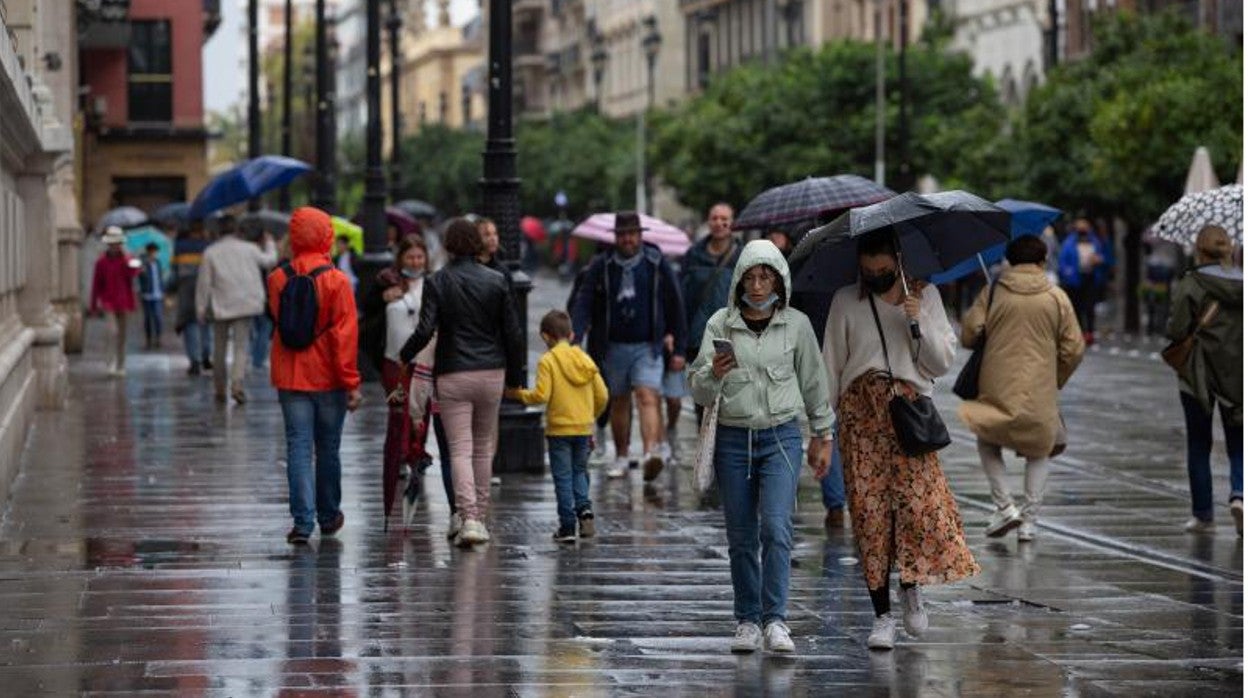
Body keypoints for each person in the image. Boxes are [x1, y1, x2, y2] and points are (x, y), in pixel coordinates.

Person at [822, 229, 979, 651]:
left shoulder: (924, 297)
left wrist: (917, 320)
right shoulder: (844, 302)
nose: (875, 276)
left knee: (916, 508)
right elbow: (831, 367)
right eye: (868, 270)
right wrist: (820, 430)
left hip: (908, 415)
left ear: (897, 261)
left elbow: (939, 364)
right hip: (860, 418)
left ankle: (911, 587)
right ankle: (881, 615)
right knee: (870, 517)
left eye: (883, 270)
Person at [689, 240, 833, 654]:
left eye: (765, 276)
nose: (756, 285)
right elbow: (697, 389)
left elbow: (813, 384)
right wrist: (713, 374)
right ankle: (747, 620)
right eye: (750, 277)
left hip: (780, 439)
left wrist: (823, 435)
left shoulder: (797, 325)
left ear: (779, 280)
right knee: (740, 535)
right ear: (739, 281)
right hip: (732, 440)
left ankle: (776, 619)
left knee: (776, 527)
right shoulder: (721, 324)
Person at [400, 218, 525, 548]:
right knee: (483, 447)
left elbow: (426, 329)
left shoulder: (437, 281)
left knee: (459, 449)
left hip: (453, 372)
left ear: (447, 246)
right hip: (491, 373)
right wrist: (517, 376)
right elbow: (513, 332)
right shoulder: (497, 280)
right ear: (477, 244)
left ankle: (466, 515)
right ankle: (478, 518)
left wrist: (405, 354)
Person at [957, 236, 1086, 543]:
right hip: (1040, 385)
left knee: (987, 440)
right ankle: (1029, 520)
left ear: (1010, 262)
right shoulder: (1056, 296)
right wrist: (1056, 377)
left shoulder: (993, 292)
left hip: (995, 382)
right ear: (1042, 262)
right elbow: (1074, 347)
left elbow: (969, 334)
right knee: (1040, 449)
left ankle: (1004, 506)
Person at [267, 206, 363, 545]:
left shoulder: (277, 279)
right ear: (326, 236)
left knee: (297, 447)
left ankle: (302, 521)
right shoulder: (337, 281)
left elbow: (281, 322)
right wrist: (351, 383)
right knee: (328, 448)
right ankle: (328, 514)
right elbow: (344, 337)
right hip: (328, 378)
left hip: (291, 376)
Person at [571, 211, 687, 481]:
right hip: (613, 345)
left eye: (632, 234)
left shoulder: (656, 262)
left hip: (648, 345)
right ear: (615, 237)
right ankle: (622, 456)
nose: (627, 239)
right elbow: (584, 300)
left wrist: (679, 347)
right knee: (619, 401)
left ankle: (649, 455)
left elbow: (675, 303)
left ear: (640, 235)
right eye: (622, 234)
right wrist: (576, 333)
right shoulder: (602, 265)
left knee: (648, 396)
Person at [361, 235, 453, 519]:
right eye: (410, 257)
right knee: (398, 407)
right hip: (393, 361)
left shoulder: (435, 283)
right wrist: (382, 298)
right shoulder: (386, 281)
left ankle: (417, 453)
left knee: (421, 410)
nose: (415, 261)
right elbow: (366, 310)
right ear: (400, 258)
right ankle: (400, 454)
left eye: (419, 257)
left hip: (425, 361)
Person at [506, 310, 609, 542]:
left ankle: (567, 526)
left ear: (545, 336)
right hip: (583, 428)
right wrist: (589, 415)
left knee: (562, 477)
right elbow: (602, 395)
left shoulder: (548, 361)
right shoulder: (585, 360)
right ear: (571, 334)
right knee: (580, 471)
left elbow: (542, 395)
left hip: (559, 431)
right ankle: (585, 510)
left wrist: (517, 394)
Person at [1166, 225, 1243, 536]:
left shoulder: (1191, 283)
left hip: (1196, 372)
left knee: (1199, 443)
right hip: (1238, 370)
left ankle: (1203, 515)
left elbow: (1176, 329)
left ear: (1199, 249)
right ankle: (1240, 494)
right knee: (1240, 440)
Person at [678, 203, 741, 454]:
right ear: (708, 221)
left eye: (725, 218)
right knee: (702, 396)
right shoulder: (693, 255)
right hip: (698, 338)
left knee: (732, 395)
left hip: (733, 336)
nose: (720, 223)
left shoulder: (742, 255)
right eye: (715, 218)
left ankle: (727, 451)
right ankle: (707, 452)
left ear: (732, 222)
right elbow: (682, 298)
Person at [196, 214, 278, 404]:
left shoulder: (211, 252)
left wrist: (200, 307)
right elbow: (270, 261)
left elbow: (204, 283)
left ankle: (219, 388)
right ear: (237, 231)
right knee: (242, 346)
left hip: (221, 304)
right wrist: (270, 243)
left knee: (219, 348)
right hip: (246, 303)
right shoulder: (250, 249)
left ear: (218, 231)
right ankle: (237, 384)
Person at [89, 226, 140, 376]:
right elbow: (96, 284)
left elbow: (134, 273)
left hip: (124, 301)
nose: (115, 246)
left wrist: (127, 259)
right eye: (112, 243)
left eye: (117, 243)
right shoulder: (101, 262)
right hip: (108, 301)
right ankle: (110, 362)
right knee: (112, 332)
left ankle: (121, 364)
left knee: (122, 335)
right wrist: (93, 305)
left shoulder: (128, 259)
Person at [171, 224, 214, 375]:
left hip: (186, 289)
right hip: (206, 289)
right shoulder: (208, 245)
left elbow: (174, 271)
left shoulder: (179, 246)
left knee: (190, 325)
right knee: (205, 323)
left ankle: (194, 360)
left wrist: (169, 289)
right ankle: (206, 354)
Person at [1058, 218, 1108, 345]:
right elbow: (1063, 262)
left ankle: (1089, 332)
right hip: (1075, 280)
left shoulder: (1095, 242)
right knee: (1077, 307)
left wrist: (1099, 260)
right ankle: (1079, 332)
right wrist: (1068, 273)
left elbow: (1102, 257)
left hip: (1090, 277)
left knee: (1090, 307)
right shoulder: (1069, 243)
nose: (1083, 231)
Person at [137, 242, 165, 349]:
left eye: (155, 252)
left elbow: (160, 277)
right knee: (148, 318)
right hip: (147, 295)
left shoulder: (157, 263)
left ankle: (158, 338)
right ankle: (148, 339)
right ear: (148, 252)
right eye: (152, 252)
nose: (154, 254)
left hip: (158, 295)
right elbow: (139, 276)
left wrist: (163, 290)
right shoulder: (143, 263)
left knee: (158, 318)